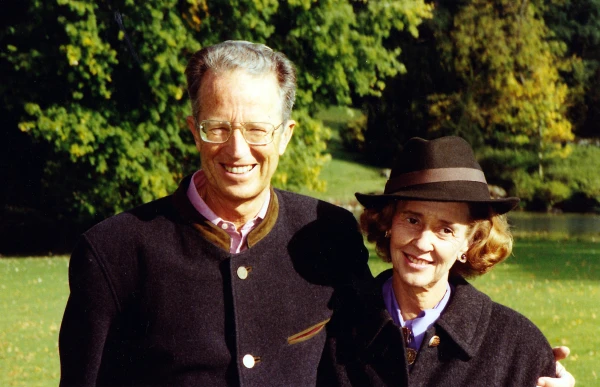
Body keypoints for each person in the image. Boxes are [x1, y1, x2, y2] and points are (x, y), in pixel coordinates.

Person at [59, 41, 574, 386]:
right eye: (218, 127)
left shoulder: (326, 235)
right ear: (194, 129)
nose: (237, 149)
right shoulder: (114, 251)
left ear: (285, 135)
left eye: (258, 129)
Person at [319, 136, 574, 386]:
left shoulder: (518, 348)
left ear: (469, 242)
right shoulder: (332, 332)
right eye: (412, 220)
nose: (422, 242)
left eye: (446, 230)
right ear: (388, 224)